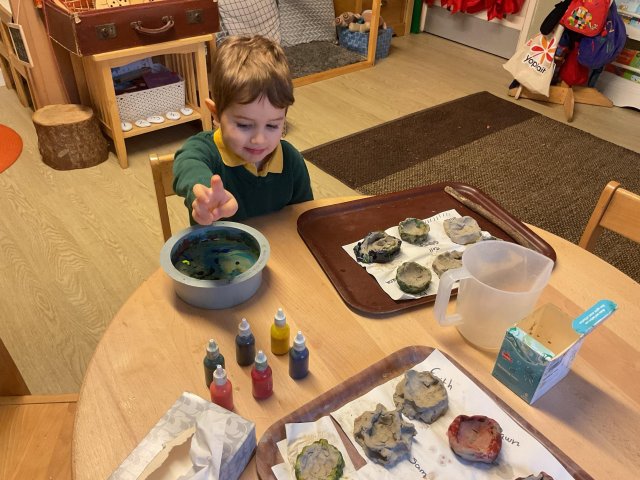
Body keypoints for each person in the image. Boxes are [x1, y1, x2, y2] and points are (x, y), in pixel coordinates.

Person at [173, 35, 314, 225]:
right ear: (215, 114)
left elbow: (305, 217)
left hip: (276, 243)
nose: (259, 139)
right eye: (244, 125)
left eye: (272, 125)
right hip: (217, 243)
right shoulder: (205, 150)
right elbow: (188, 163)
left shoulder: (291, 161)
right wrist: (206, 194)